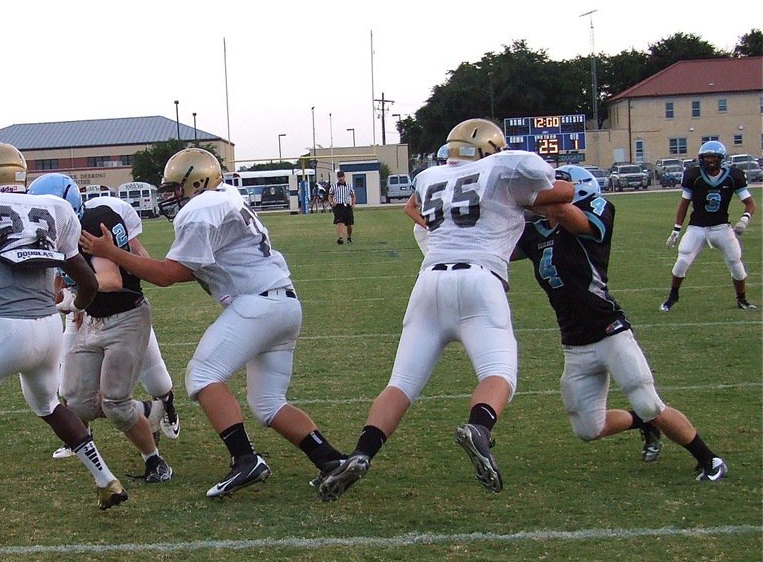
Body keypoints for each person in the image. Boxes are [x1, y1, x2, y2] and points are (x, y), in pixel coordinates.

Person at [318, 118, 576, 499]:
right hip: (479, 281)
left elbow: (425, 208)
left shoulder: (430, 177)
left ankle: (362, 452)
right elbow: (563, 192)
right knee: (499, 373)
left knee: (401, 383)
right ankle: (479, 427)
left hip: (429, 283)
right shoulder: (499, 173)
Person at [81, 147, 349, 499]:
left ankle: (245, 459)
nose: (169, 197)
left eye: (175, 188)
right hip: (284, 303)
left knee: (203, 376)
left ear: (197, 183)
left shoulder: (200, 210)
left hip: (257, 304)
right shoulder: (227, 198)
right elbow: (205, 266)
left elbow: (167, 275)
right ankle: (331, 460)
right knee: (268, 401)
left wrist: (111, 252)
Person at [0, 142, 128, 539]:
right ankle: (106, 480)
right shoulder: (52, 207)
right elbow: (88, 281)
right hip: (48, 330)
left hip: (5, 329)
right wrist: (73, 304)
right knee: (48, 404)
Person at [516, 166, 727, 481]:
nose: (547, 191)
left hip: (610, 332)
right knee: (588, 428)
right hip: (574, 343)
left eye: (554, 185)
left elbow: (562, 209)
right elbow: (490, 249)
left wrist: (525, 194)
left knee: (648, 402)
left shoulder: (596, 213)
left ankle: (710, 460)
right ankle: (642, 424)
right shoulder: (536, 233)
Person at [29, 174, 173, 483]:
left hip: (126, 316)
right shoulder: (61, 232)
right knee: (75, 400)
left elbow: (111, 280)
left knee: (115, 402)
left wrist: (73, 299)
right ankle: (146, 412)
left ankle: (155, 462)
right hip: (94, 319)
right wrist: (54, 295)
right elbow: (62, 272)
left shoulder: (95, 222)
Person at [660, 140, 757, 311]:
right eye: (706, 157)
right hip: (697, 227)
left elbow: (749, 203)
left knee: (736, 261)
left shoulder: (733, 176)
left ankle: (742, 299)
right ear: (701, 159)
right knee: (682, 260)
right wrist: (676, 230)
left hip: (721, 228)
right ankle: (672, 296)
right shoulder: (694, 176)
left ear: (721, 159)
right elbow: (684, 204)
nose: (709, 161)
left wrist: (744, 219)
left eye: (713, 157)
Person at [331, 170, 355, 244]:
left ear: (344, 177)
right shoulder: (334, 186)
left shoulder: (349, 186)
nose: (340, 178)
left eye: (341, 177)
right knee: (339, 222)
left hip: (347, 206)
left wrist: (353, 203)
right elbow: (330, 195)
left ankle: (349, 237)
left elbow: (353, 195)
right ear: (337, 178)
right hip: (338, 206)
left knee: (349, 224)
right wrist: (332, 202)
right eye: (339, 177)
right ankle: (340, 238)